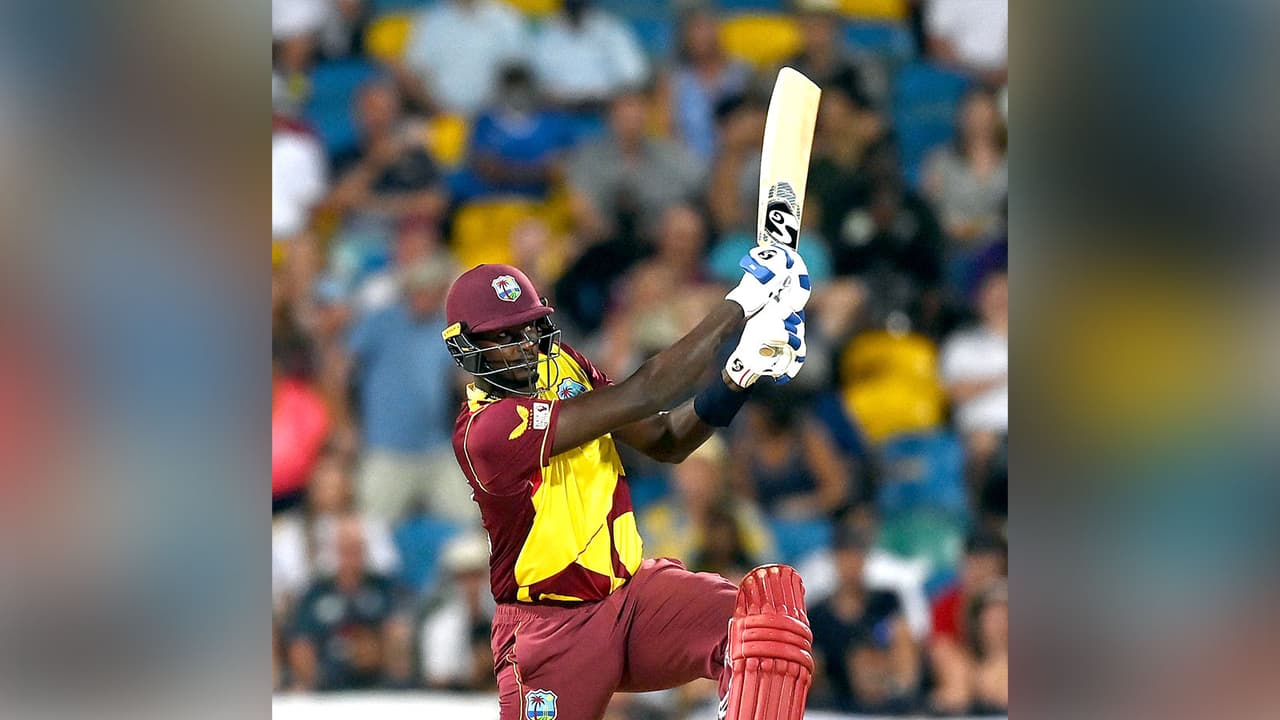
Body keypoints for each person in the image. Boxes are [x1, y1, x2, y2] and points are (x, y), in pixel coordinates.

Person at [440, 246, 816, 719]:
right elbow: (648, 392)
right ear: (467, 347)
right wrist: (742, 302)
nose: (524, 344)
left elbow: (666, 440)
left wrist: (739, 373)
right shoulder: (484, 432)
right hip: (551, 630)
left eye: (529, 327)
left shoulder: (565, 365)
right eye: (503, 335)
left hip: (633, 597)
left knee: (766, 629)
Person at [345, 255, 476, 523]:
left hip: (435, 447)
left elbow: (464, 381)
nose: (424, 295)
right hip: (386, 448)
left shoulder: (448, 329)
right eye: (419, 288)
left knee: (470, 521)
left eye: (432, 288)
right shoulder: (381, 322)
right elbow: (339, 369)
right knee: (372, 528)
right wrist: (344, 424)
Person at [808, 526, 919, 713]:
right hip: (838, 693)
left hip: (887, 682)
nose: (851, 565)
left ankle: (905, 698)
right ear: (835, 561)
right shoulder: (818, 613)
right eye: (845, 558)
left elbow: (903, 638)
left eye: (856, 557)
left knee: (899, 634)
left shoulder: (886, 600)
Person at [397, 0, 530, 116]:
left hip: (494, 117)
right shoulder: (430, 22)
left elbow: (518, 74)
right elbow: (412, 75)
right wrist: (438, 110)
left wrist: (492, 113)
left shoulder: (507, 19)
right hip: (439, 116)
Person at [927, 531, 1008, 714]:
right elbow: (942, 650)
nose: (979, 574)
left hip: (1001, 671)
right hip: (963, 673)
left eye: (987, 568)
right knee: (952, 666)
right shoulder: (947, 603)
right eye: (974, 566)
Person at [922, 87, 1009, 249]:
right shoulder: (939, 160)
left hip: (1002, 247)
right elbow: (929, 213)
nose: (978, 121)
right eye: (972, 114)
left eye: (984, 114)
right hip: (953, 245)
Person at [529, 0, 650, 112]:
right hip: (557, 111)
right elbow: (531, 80)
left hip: (605, 110)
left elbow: (635, 76)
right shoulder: (545, 32)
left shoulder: (612, 29)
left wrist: (608, 95)